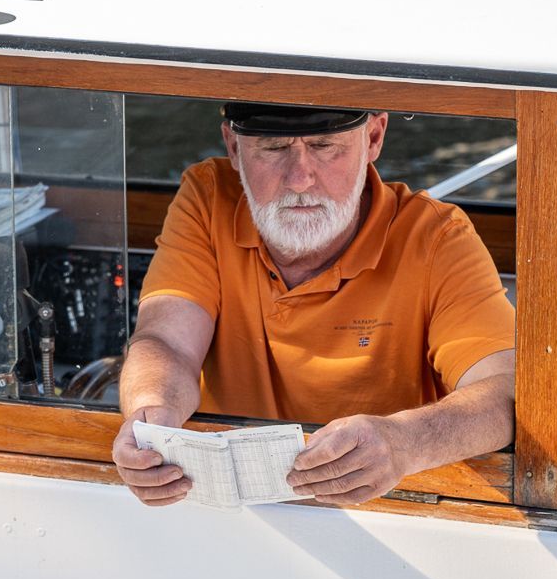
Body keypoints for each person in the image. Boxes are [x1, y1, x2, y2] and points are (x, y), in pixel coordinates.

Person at [112, 102, 516, 507]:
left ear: (373, 137)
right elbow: (166, 342)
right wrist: (152, 417)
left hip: (397, 510)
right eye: (273, 149)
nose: (300, 179)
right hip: (231, 509)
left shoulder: (438, 239)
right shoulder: (208, 196)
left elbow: (506, 393)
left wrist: (404, 442)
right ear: (234, 147)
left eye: (325, 146)